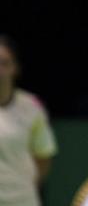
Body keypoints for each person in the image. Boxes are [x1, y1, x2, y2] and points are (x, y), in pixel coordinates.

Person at [0, 35, 57, 206]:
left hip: (22, 200)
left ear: (15, 68)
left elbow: (43, 157)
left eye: (4, 63)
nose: (0, 70)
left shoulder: (32, 107)